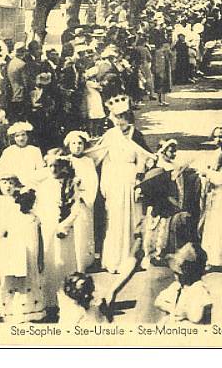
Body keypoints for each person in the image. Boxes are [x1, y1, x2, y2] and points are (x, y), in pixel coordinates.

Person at [90, 95, 155, 274]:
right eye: (118, 118)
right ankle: (115, 259)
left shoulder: (136, 135)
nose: (121, 122)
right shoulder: (110, 136)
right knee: (116, 219)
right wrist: (105, 183)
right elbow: (100, 157)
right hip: (115, 181)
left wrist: (140, 177)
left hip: (131, 179)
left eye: (124, 118)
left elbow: (145, 157)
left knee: (135, 218)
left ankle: (135, 258)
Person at [34, 151, 85, 314]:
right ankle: (50, 301)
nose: (54, 169)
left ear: (63, 167)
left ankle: (69, 298)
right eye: (51, 166)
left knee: (64, 262)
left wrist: (65, 225)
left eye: (57, 166)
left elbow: (76, 209)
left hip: (64, 228)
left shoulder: (71, 185)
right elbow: (39, 206)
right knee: (50, 262)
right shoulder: (44, 185)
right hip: (48, 227)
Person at [0, 172, 46, 323]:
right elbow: (1, 228)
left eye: (11, 183)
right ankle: (11, 309)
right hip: (11, 245)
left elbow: (39, 236)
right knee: (11, 276)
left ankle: (31, 310)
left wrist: (41, 256)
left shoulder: (32, 216)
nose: (8, 186)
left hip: (29, 248)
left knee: (29, 273)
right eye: (5, 182)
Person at [198, 124, 222, 269]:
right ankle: (211, 256)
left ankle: (221, 258)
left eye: (221, 136)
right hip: (214, 192)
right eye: (216, 136)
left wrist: (208, 174)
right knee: (212, 225)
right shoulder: (216, 153)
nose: (218, 139)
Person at [64, 130, 99, 272]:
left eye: (80, 143)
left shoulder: (88, 161)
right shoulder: (66, 161)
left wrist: (86, 196)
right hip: (70, 200)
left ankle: (84, 263)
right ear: (69, 145)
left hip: (84, 200)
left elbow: (93, 181)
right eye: (74, 143)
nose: (77, 146)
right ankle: (72, 264)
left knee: (84, 230)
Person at [155, 242, 212, 324]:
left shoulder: (199, 289)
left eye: (177, 274)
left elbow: (196, 317)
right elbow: (158, 301)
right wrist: (171, 308)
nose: (175, 276)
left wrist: (185, 313)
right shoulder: (177, 286)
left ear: (187, 274)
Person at [0, 121, 45, 188]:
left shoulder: (35, 150)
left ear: (27, 136)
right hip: (12, 186)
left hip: (31, 185)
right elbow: (3, 170)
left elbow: (40, 170)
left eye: (23, 134)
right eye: (17, 136)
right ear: (14, 138)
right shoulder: (8, 151)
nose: (21, 138)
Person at [153, 41, 173, 106]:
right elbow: (157, 63)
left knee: (165, 86)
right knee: (159, 86)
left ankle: (164, 100)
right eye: (166, 46)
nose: (168, 48)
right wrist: (158, 71)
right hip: (160, 72)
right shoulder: (158, 52)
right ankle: (159, 101)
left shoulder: (167, 53)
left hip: (166, 71)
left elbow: (172, 57)